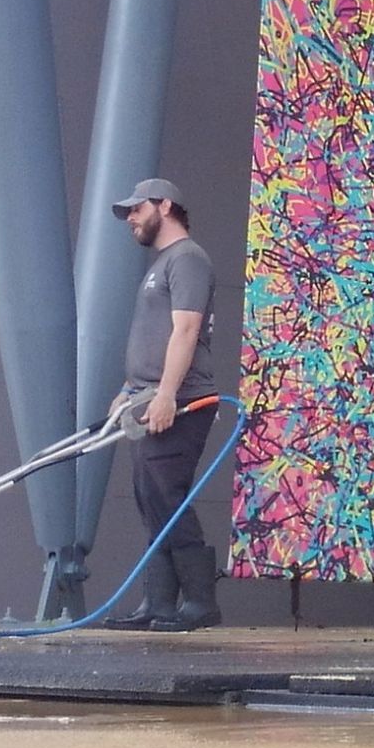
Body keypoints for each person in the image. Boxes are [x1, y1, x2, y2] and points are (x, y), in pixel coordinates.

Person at [98, 177, 223, 632]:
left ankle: (200, 602)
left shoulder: (188, 259)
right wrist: (131, 388)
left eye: (137, 208)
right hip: (149, 397)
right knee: (150, 496)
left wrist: (168, 393)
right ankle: (159, 603)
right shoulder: (164, 264)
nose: (131, 217)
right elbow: (155, 337)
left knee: (168, 495)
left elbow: (185, 331)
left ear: (165, 205)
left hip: (182, 401)